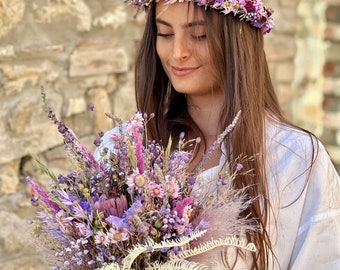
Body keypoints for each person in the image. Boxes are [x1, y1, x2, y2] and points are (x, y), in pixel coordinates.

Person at [98, 0, 340, 269]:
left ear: (238, 38)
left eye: (199, 35)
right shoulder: (123, 148)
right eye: (165, 34)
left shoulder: (297, 159)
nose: (178, 52)